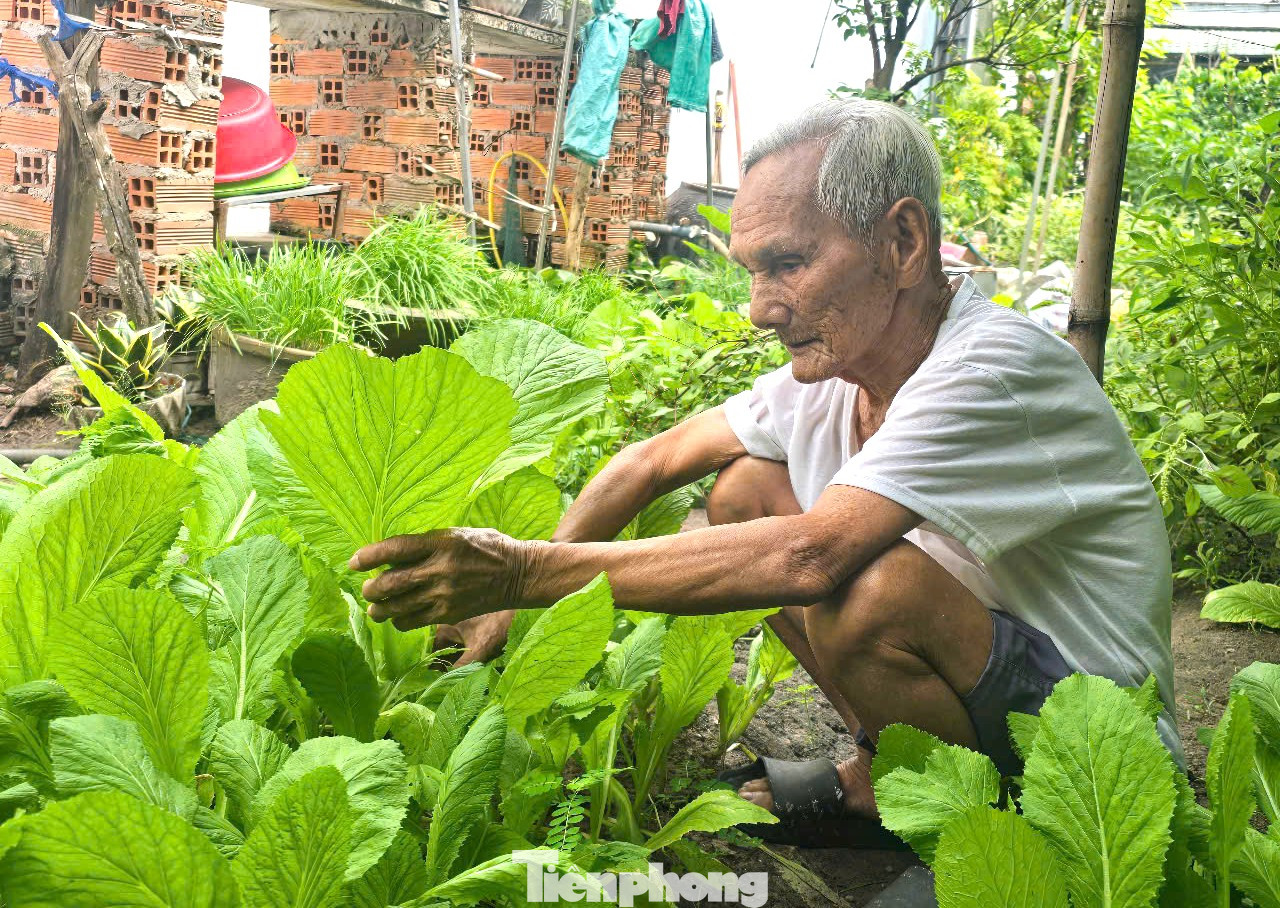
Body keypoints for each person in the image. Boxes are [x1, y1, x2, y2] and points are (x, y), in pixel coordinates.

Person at [350, 99, 1182, 844]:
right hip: (990, 679)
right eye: (751, 270)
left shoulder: (994, 368)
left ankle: (990, 829)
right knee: (744, 490)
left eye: (787, 265)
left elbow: (809, 557)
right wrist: (507, 605)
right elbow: (652, 460)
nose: (758, 308)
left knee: (868, 586)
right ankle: (895, 773)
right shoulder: (837, 375)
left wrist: (523, 572)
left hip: (1101, 747)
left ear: (902, 242)